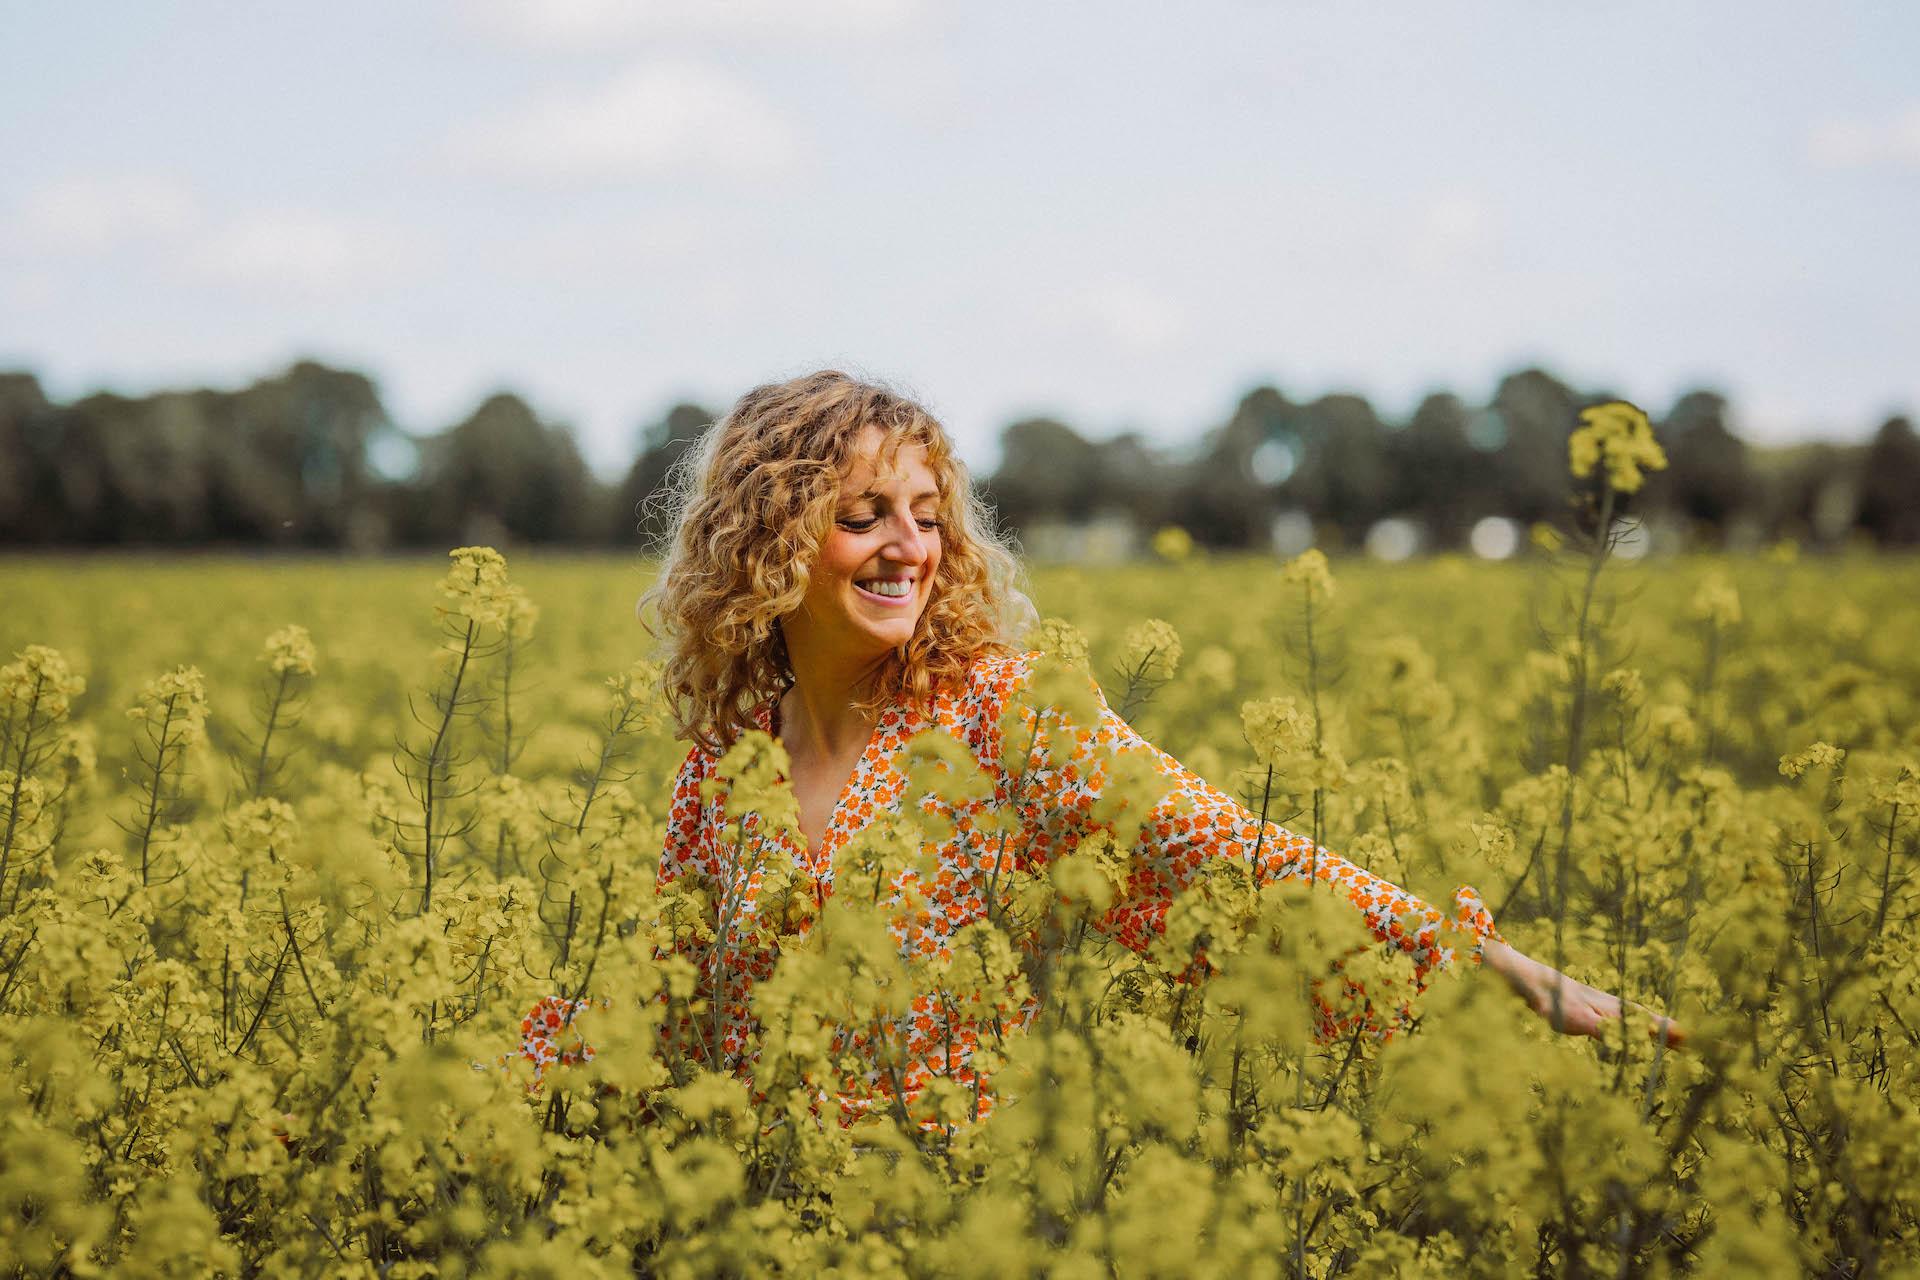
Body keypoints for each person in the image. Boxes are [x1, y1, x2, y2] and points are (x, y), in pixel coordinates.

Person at [514, 370, 1681, 1120]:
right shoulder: (725, 767)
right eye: (862, 515)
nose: (907, 547)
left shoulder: (996, 712)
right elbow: (661, 1007)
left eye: (928, 516)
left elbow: (1224, 844)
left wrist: (1498, 968)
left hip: (954, 1213)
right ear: (767, 541)